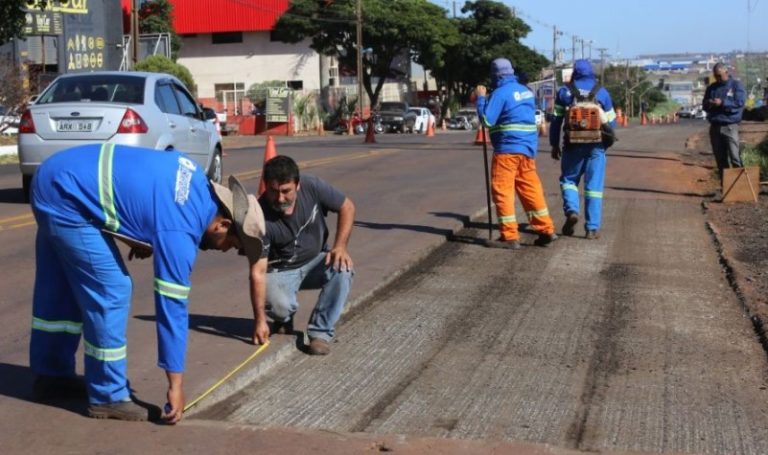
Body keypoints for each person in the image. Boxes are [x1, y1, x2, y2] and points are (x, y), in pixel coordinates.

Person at [30, 143, 268, 423]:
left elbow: (142, 194)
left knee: (60, 287)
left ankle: (51, 375)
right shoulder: (180, 229)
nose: (227, 250)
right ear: (223, 224)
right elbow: (172, 308)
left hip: (56, 174)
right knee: (112, 290)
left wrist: (139, 234)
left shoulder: (194, 176)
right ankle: (108, 396)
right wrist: (176, 385)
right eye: (232, 244)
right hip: (65, 198)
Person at [256, 155, 355, 355]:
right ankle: (283, 318)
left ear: (298, 185)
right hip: (281, 269)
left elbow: (347, 207)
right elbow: (256, 271)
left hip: (316, 260)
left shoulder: (313, 187)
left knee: (343, 268)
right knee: (278, 305)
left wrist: (340, 247)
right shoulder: (259, 216)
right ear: (266, 186)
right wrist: (259, 319)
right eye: (274, 191)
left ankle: (320, 333)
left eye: (286, 191)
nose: (280, 198)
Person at [475, 57, 558, 249]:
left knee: (503, 190)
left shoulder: (500, 93)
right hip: (527, 150)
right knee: (531, 189)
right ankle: (546, 230)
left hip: (507, 150)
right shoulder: (525, 91)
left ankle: (509, 237)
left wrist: (481, 98)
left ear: (495, 75)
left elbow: (487, 121)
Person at [550, 59, 617, 240]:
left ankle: (572, 210)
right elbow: (611, 122)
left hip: (572, 144)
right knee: (593, 187)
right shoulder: (601, 92)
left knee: (568, 180)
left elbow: (556, 121)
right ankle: (592, 229)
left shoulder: (565, 92)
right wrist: (606, 143)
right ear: (591, 72)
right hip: (596, 146)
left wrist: (554, 144)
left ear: (575, 73)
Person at [702, 62, 746, 179]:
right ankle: (725, 188)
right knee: (721, 160)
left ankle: (741, 187)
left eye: (719, 75)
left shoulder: (736, 86)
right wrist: (710, 103)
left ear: (726, 72)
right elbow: (704, 105)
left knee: (735, 157)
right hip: (715, 127)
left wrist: (723, 103)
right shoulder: (711, 88)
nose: (718, 78)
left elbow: (739, 103)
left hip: (730, 126)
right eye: (715, 76)